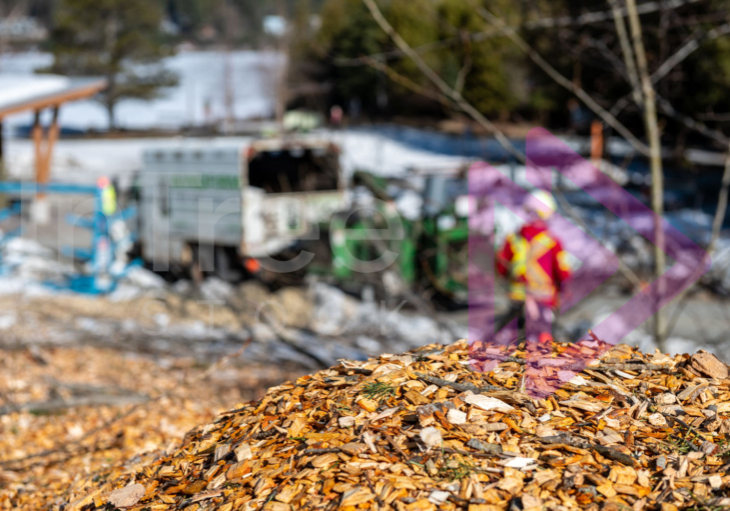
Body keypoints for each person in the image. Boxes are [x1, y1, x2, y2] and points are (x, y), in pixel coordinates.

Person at [495, 190, 571, 337]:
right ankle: (544, 355)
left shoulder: (513, 239)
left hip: (517, 297)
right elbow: (562, 270)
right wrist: (565, 287)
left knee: (512, 332)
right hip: (544, 298)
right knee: (544, 330)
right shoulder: (552, 242)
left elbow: (501, 267)